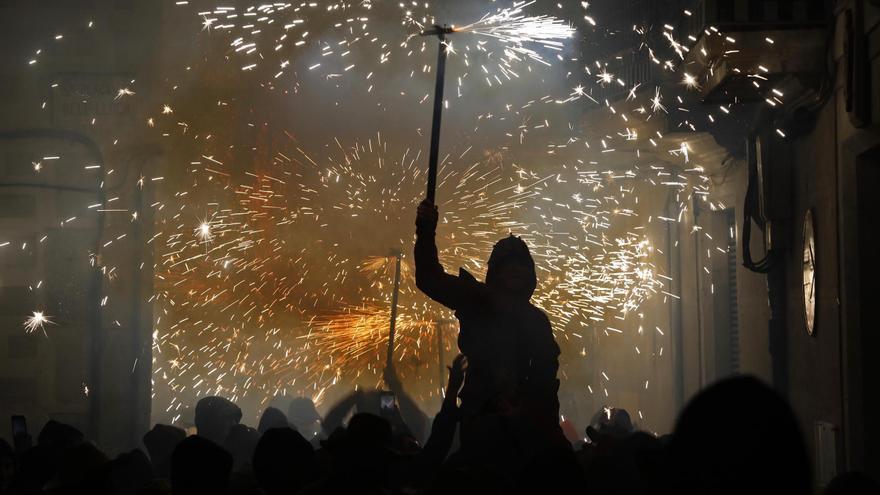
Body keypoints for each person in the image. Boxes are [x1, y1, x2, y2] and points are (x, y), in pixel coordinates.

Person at [414, 198, 566, 456]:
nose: (516, 269)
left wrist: (526, 411)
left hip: (524, 430)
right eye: (509, 264)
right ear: (497, 270)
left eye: (521, 264)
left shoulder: (536, 320)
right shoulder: (477, 299)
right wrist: (426, 230)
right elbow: (429, 278)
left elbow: (545, 374)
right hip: (481, 420)